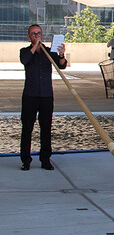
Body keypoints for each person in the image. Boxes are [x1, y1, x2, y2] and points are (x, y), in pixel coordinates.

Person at [19, 24, 67, 171]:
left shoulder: (48, 51)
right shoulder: (25, 51)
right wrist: (35, 46)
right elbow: (25, 60)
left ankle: (45, 159)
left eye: (39, 33)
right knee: (27, 128)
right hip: (30, 95)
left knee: (46, 128)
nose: (37, 36)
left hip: (46, 95)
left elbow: (62, 65)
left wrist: (61, 55)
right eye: (34, 34)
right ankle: (26, 160)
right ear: (29, 37)